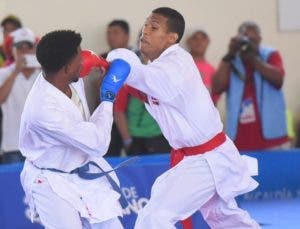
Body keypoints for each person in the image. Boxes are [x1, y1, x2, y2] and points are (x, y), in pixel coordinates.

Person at [107, 7, 259, 229]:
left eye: (154, 26)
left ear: (172, 37)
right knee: (225, 218)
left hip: (207, 159)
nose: (145, 31)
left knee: (154, 218)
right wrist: (108, 66)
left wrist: (116, 58)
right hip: (199, 158)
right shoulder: (158, 67)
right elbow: (144, 87)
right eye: (146, 25)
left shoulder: (177, 63)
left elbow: (143, 78)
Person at [19, 30, 130, 228]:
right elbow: (98, 144)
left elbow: (86, 60)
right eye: (79, 56)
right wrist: (108, 98)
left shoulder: (63, 76)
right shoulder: (43, 109)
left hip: (82, 171)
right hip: (51, 179)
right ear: (66, 67)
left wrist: (102, 63)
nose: (84, 60)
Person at [212, 21, 290, 151]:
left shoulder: (270, 54)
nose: (248, 44)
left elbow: (278, 80)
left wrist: (253, 59)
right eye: (245, 39)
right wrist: (229, 54)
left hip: (272, 138)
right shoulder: (231, 58)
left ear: (259, 39)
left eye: (253, 40)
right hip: (239, 139)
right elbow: (217, 88)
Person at [0, 27, 40, 164]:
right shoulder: (4, 73)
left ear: (34, 49)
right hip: (12, 146)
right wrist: (16, 71)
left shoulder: (43, 75)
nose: (24, 51)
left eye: (28, 46)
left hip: (40, 146)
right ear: (13, 51)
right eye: (19, 47)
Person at [100, 19, 131, 156]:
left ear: (126, 36)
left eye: (116, 33)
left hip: (131, 118)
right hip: (107, 116)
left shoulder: (135, 58)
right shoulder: (101, 59)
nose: (111, 36)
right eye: (109, 33)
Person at [186, 29, 218, 104]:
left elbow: (213, 101)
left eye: (203, 39)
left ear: (208, 42)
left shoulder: (212, 71)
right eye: (195, 38)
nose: (199, 42)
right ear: (188, 42)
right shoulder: (179, 66)